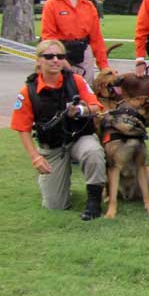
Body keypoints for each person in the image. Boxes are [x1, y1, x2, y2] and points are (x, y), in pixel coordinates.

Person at [11, 40, 106, 220]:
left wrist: (79, 110)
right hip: (53, 146)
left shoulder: (76, 81)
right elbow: (21, 128)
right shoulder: (28, 91)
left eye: (60, 56)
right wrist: (35, 157)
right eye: (49, 56)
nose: (55, 60)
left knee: (93, 151)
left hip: (78, 138)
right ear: (38, 60)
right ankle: (56, 181)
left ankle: (94, 201)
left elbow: (96, 107)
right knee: (54, 205)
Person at [41, 0, 110, 83]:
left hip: (84, 53)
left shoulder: (89, 7)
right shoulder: (51, 4)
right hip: (59, 53)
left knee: (86, 90)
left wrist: (104, 66)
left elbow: (96, 39)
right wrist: (61, 60)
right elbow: (49, 36)